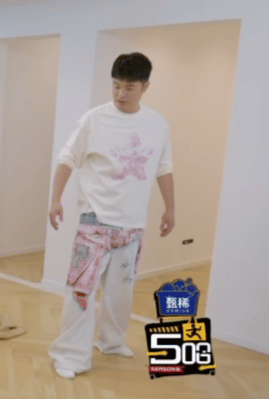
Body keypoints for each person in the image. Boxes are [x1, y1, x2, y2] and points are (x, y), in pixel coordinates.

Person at [47, 52, 176, 379]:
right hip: (94, 222)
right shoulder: (94, 119)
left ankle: (112, 341)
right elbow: (67, 159)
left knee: (121, 292)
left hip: (132, 225)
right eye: (116, 85)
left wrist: (170, 209)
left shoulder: (158, 123)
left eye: (129, 87)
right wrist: (56, 200)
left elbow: (163, 168)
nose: (120, 93)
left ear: (145, 86)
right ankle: (70, 356)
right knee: (80, 292)